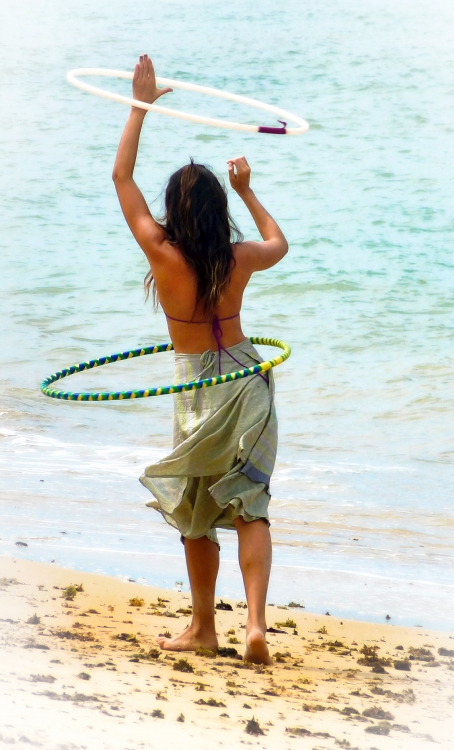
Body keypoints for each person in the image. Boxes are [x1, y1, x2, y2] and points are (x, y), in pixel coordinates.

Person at [112, 55, 288, 665]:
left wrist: (141, 106)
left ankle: (204, 626)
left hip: (197, 393)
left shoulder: (162, 252)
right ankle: (257, 625)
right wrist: (249, 190)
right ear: (218, 211)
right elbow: (280, 244)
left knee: (196, 513)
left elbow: (120, 179)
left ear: (174, 212)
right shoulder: (238, 257)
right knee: (251, 505)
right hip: (247, 384)